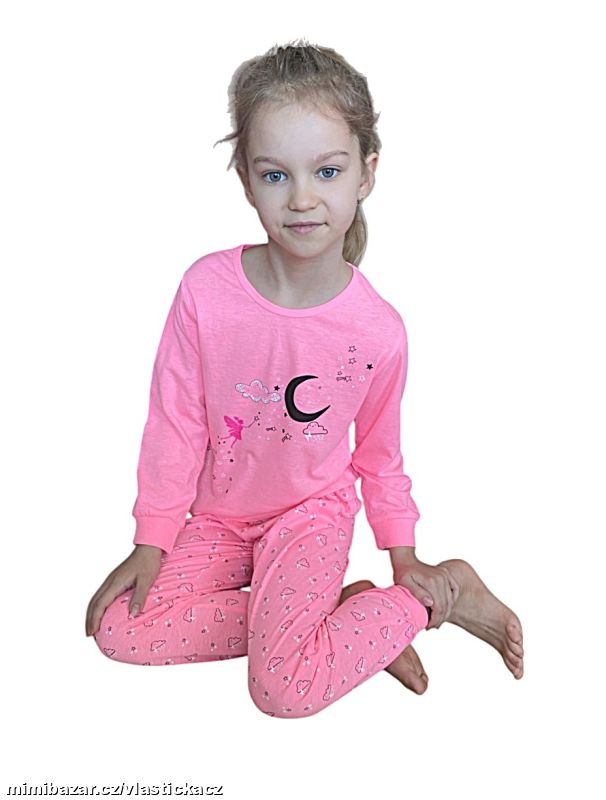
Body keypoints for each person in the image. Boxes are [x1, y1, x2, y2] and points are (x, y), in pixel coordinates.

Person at [85, 39, 524, 718]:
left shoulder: (377, 331)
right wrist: (152, 538)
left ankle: (435, 598)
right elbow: (177, 421)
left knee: (283, 691)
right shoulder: (206, 291)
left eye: (326, 171)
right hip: (223, 519)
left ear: (366, 173)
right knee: (118, 627)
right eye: (275, 175)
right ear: (246, 179)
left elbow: (379, 457)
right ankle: (338, 626)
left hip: (309, 518)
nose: (301, 199)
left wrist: (404, 558)